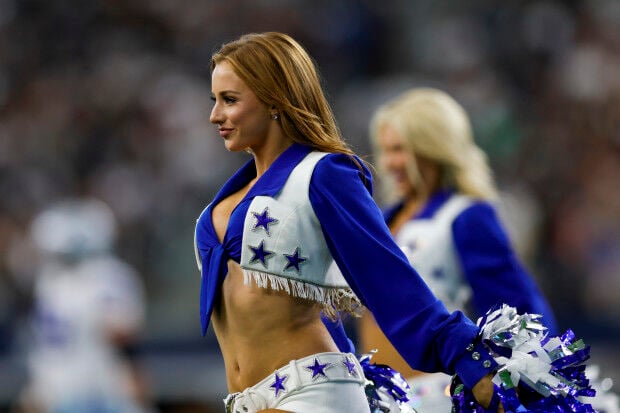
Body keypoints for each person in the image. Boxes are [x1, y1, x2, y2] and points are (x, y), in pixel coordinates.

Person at [194, 32, 505, 413]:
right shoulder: (229, 196)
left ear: (273, 99)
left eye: (229, 100)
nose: (215, 116)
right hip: (247, 400)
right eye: (215, 101)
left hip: (310, 392)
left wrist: (471, 361)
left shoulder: (325, 174)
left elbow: (391, 280)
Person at [358, 88, 559, 411]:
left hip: (438, 396)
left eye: (401, 150)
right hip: (377, 398)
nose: (390, 162)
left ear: (434, 149)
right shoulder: (381, 221)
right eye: (385, 150)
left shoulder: (466, 216)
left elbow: (521, 309)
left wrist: (530, 389)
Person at [16, 198, 152, 413]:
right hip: (100, 389)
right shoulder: (108, 275)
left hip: (55, 388)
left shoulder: (48, 281)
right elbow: (123, 333)